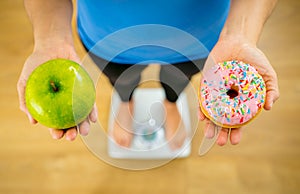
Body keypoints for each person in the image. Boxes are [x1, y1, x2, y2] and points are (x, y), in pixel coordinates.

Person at [17, 0, 279, 149]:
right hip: (107, 40)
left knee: (178, 79)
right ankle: (126, 101)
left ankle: (171, 102)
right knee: (121, 80)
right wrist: (50, 37)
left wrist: (242, 34)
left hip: (205, 42)